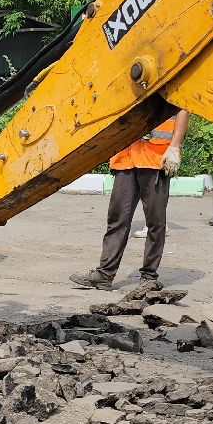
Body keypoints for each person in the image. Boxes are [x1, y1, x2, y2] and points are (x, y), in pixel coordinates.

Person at [71, 112, 188, 290]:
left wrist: (175, 146)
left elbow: (182, 109)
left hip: (155, 158)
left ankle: (149, 277)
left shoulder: (165, 85)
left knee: (155, 222)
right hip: (125, 158)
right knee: (117, 219)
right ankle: (104, 274)